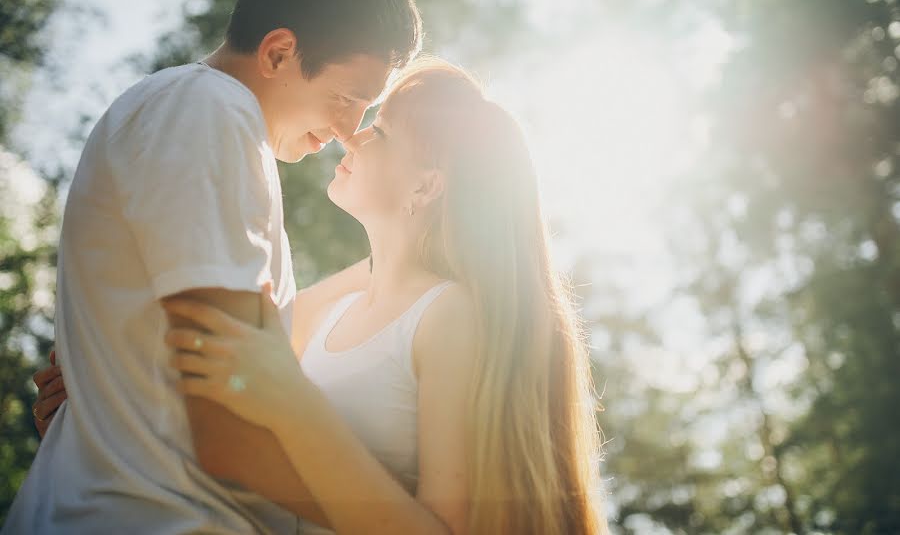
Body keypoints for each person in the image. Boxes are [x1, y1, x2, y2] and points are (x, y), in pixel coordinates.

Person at [34, 58, 609, 534]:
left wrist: (293, 405)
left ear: (425, 186)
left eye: (379, 131)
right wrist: (107, 398)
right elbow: (216, 406)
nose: (351, 134)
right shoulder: (328, 305)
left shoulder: (447, 314)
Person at [3, 0, 421, 534]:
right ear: (278, 53)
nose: (349, 130)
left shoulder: (199, 115)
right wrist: (403, 524)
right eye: (347, 97)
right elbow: (231, 428)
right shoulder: (209, 110)